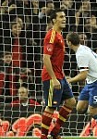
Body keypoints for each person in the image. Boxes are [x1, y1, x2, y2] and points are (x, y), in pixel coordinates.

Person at [65, 32, 97, 139]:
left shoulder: (80, 54)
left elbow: (83, 75)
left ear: (69, 42)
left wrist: (70, 80)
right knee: (80, 108)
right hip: (91, 83)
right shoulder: (84, 48)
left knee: (92, 112)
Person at [40, 9, 76, 139]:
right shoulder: (52, 35)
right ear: (54, 20)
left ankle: (55, 131)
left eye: (64, 17)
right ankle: (43, 136)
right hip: (51, 77)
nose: (64, 19)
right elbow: (46, 58)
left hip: (60, 75)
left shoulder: (60, 36)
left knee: (71, 102)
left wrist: (61, 75)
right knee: (50, 107)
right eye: (61, 17)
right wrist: (54, 79)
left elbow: (56, 59)